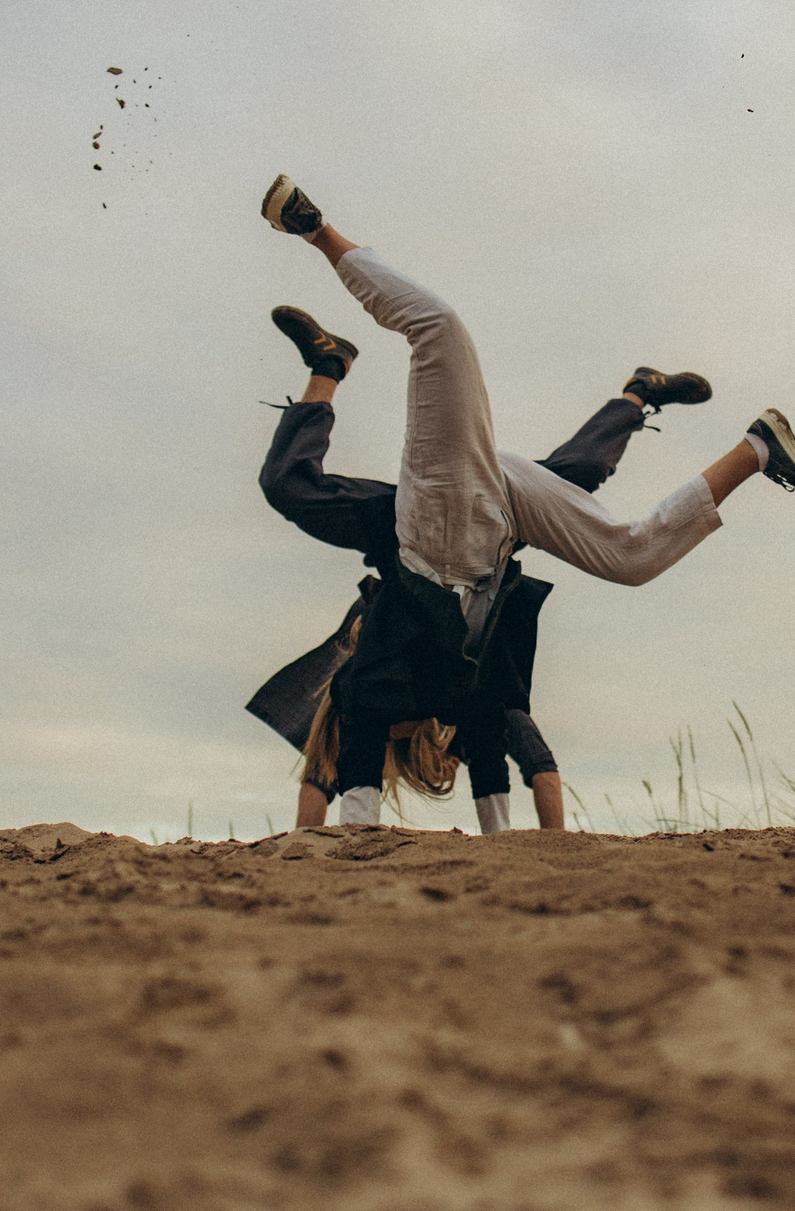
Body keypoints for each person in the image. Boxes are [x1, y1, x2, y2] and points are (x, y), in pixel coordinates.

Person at [252, 172, 795, 831]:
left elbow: (353, 735)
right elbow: (487, 750)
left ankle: (312, 228)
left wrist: (355, 821)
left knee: (437, 330)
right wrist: (500, 831)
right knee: (627, 549)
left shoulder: (373, 674)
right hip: (497, 520)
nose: (395, 718)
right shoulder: (458, 694)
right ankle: (753, 446)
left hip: (436, 515)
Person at [248, 302, 712, 833]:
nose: (391, 730)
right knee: (574, 475)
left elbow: (321, 767)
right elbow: (326, 770)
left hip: (415, 521)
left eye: (390, 732)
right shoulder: (461, 696)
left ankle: (329, 366)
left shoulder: (360, 680)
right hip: (469, 536)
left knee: (290, 488)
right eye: (396, 736)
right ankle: (639, 393)